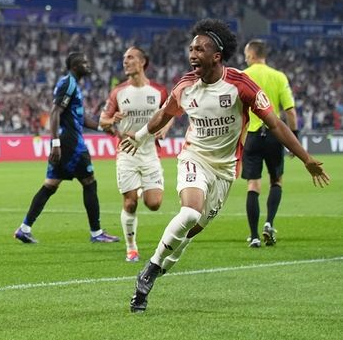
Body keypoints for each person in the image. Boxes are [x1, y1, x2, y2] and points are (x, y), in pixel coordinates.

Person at [120, 19, 329, 313]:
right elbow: (164, 114)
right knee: (189, 212)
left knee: (190, 232)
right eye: (191, 48)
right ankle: (150, 271)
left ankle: (156, 272)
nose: (192, 54)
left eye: (200, 49)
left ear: (216, 56)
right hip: (194, 158)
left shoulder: (240, 86)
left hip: (225, 170)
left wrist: (307, 159)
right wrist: (141, 137)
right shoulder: (185, 86)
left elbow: (276, 124)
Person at [14, 52, 120, 244]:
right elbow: (55, 112)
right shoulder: (68, 83)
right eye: (83, 62)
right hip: (71, 143)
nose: (87, 65)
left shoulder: (73, 85)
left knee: (50, 185)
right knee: (89, 181)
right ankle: (96, 233)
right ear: (74, 66)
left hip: (66, 142)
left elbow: (82, 117)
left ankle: (24, 228)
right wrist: (55, 144)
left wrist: (103, 128)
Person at [100, 47, 170, 262]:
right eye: (124, 59)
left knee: (154, 203)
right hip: (127, 153)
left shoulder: (158, 91)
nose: (125, 62)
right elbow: (103, 121)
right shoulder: (118, 92)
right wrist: (113, 121)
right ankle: (131, 247)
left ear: (142, 62)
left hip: (149, 153)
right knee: (130, 203)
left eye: (130, 58)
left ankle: (139, 189)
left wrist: (165, 127)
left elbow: (171, 111)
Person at [241, 39, 298, 248]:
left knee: (253, 185)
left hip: (252, 137)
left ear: (253, 55)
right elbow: (290, 111)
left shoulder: (244, 76)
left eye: (246, 54)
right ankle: (269, 223)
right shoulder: (278, 76)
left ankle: (254, 236)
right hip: (275, 135)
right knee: (276, 181)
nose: (245, 58)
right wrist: (294, 138)